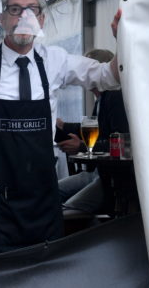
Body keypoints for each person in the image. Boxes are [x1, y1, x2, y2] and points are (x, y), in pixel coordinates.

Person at [0, 0, 121, 257]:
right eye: (15, 9)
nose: (23, 17)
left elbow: (108, 76)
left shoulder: (56, 60)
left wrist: (126, 41)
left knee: (44, 274)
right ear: (2, 18)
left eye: (31, 9)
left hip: (42, 199)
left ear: (41, 19)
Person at [56, 48, 130, 214]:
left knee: (69, 209)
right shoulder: (102, 100)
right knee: (54, 192)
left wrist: (82, 147)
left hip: (112, 180)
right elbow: (96, 131)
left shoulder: (114, 97)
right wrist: (64, 126)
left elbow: (123, 145)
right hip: (102, 174)